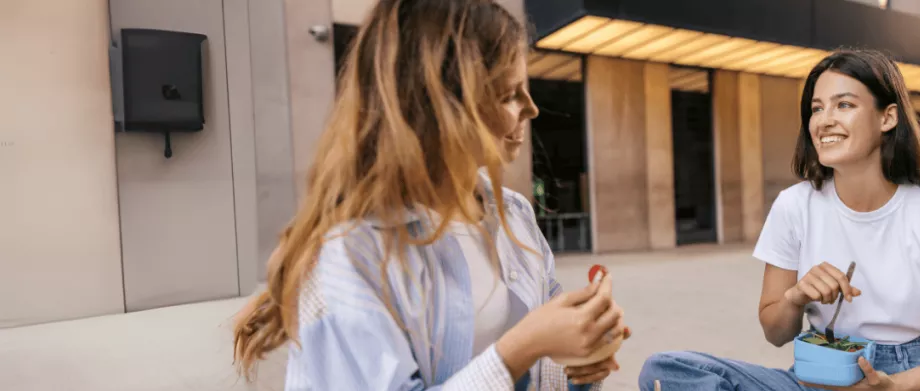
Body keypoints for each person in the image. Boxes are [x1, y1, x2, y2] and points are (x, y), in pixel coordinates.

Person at [229, 0, 626, 389]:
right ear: (438, 106)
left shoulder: (514, 212)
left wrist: (581, 357)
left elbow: (544, 362)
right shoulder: (353, 251)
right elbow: (521, 350)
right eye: (508, 94)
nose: (532, 109)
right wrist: (522, 348)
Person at [638, 50, 920, 390]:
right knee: (666, 370)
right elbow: (776, 332)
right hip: (812, 376)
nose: (825, 121)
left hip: (900, 378)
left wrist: (897, 386)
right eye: (816, 109)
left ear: (887, 117)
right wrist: (795, 296)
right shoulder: (794, 206)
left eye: (844, 104)